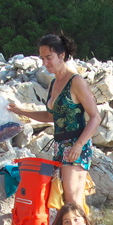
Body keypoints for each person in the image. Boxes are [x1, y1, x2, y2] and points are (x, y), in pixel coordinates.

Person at [7, 32, 101, 207]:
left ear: (62, 55)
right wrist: (21, 111)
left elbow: (96, 117)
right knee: (66, 202)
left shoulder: (76, 81)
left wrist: (79, 145)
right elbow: (51, 116)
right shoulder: (53, 84)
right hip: (60, 145)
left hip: (75, 145)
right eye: (42, 58)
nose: (45, 63)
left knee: (72, 203)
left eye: (48, 58)